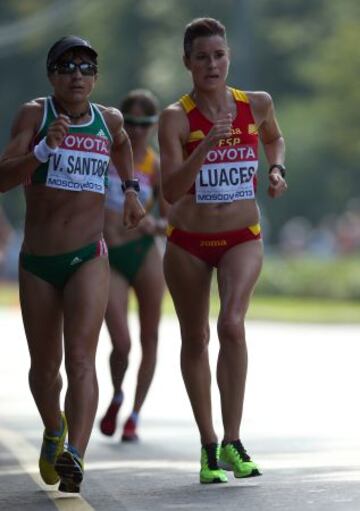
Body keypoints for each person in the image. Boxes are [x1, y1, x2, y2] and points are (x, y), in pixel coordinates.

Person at [0, 35, 145, 493]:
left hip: (89, 255)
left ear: (96, 77)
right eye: (66, 67)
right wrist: (42, 151)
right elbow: (3, 177)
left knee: (83, 359)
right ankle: (52, 428)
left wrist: (131, 190)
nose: (77, 75)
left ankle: (75, 455)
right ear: (52, 75)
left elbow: (123, 146)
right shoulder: (34, 114)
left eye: (86, 67)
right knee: (46, 368)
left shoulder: (110, 119)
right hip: (39, 261)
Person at [158, 18, 287, 484]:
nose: (212, 64)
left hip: (241, 236)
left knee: (231, 324)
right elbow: (171, 190)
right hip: (189, 242)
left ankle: (234, 441)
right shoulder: (176, 117)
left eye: (219, 55)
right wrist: (206, 145)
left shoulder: (256, 103)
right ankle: (208, 445)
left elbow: (274, 137)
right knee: (195, 339)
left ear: (228, 56)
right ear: (187, 62)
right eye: (201, 57)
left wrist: (276, 171)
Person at [99, 89, 167, 442]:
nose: (138, 131)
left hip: (143, 252)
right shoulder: (107, 154)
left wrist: (155, 224)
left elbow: (169, 219)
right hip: (110, 254)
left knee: (150, 337)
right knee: (122, 343)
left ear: (154, 126)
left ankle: (135, 414)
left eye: (145, 124)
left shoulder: (155, 165)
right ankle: (117, 395)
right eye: (132, 123)